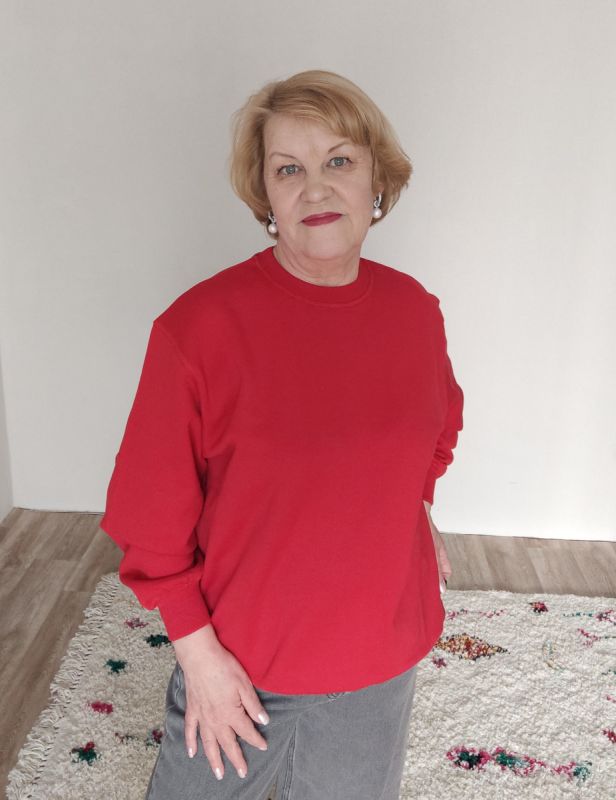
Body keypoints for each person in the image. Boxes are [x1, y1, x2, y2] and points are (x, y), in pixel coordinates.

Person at [100, 68, 464, 800]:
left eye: (339, 161)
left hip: (378, 657)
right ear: (265, 196)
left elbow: (433, 433)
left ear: (377, 181)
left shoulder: (413, 311)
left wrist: (415, 507)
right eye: (288, 169)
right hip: (242, 661)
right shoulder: (198, 329)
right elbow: (150, 515)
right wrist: (200, 658)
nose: (317, 188)